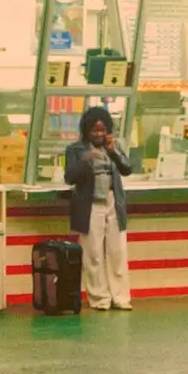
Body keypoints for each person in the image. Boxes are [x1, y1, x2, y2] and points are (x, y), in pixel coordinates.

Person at [63, 104, 135, 311]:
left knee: (117, 251)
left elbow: (127, 169)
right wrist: (85, 161)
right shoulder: (76, 150)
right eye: (94, 130)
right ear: (86, 130)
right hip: (90, 205)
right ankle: (99, 298)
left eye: (102, 130)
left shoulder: (114, 146)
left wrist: (113, 152)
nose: (99, 134)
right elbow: (69, 177)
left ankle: (120, 297)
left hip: (113, 202)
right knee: (92, 253)